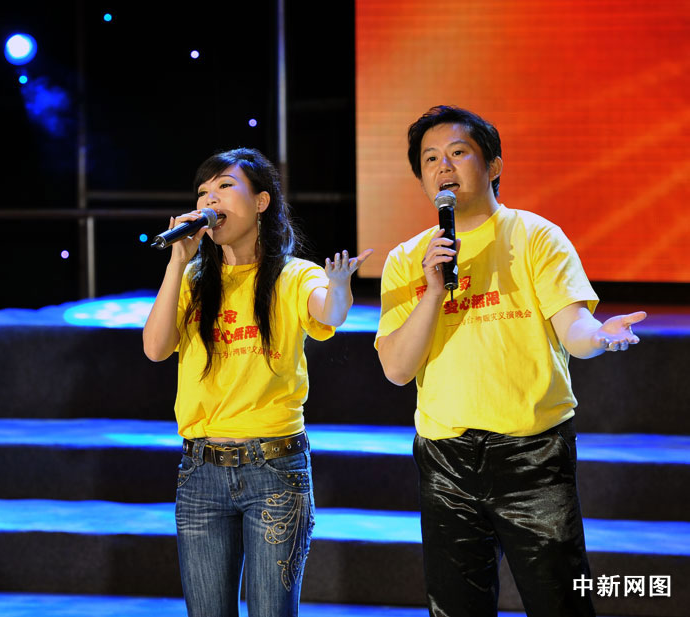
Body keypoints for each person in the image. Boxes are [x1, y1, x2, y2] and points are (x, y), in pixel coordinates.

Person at [375, 106, 646, 617]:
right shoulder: (408, 259)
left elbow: (574, 329)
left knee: (560, 602)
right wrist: (432, 290)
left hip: (533, 455)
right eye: (430, 158)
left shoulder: (536, 236)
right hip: (445, 459)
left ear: (494, 165)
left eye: (458, 153)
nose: (443, 166)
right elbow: (397, 369)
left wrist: (600, 335)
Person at [143, 147, 371, 617]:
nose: (210, 199)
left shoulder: (293, 275)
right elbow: (155, 348)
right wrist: (177, 262)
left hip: (274, 469)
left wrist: (340, 288)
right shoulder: (193, 279)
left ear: (262, 201)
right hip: (200, 470)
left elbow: (328, 311)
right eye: (203, 192)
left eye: (225, 186)